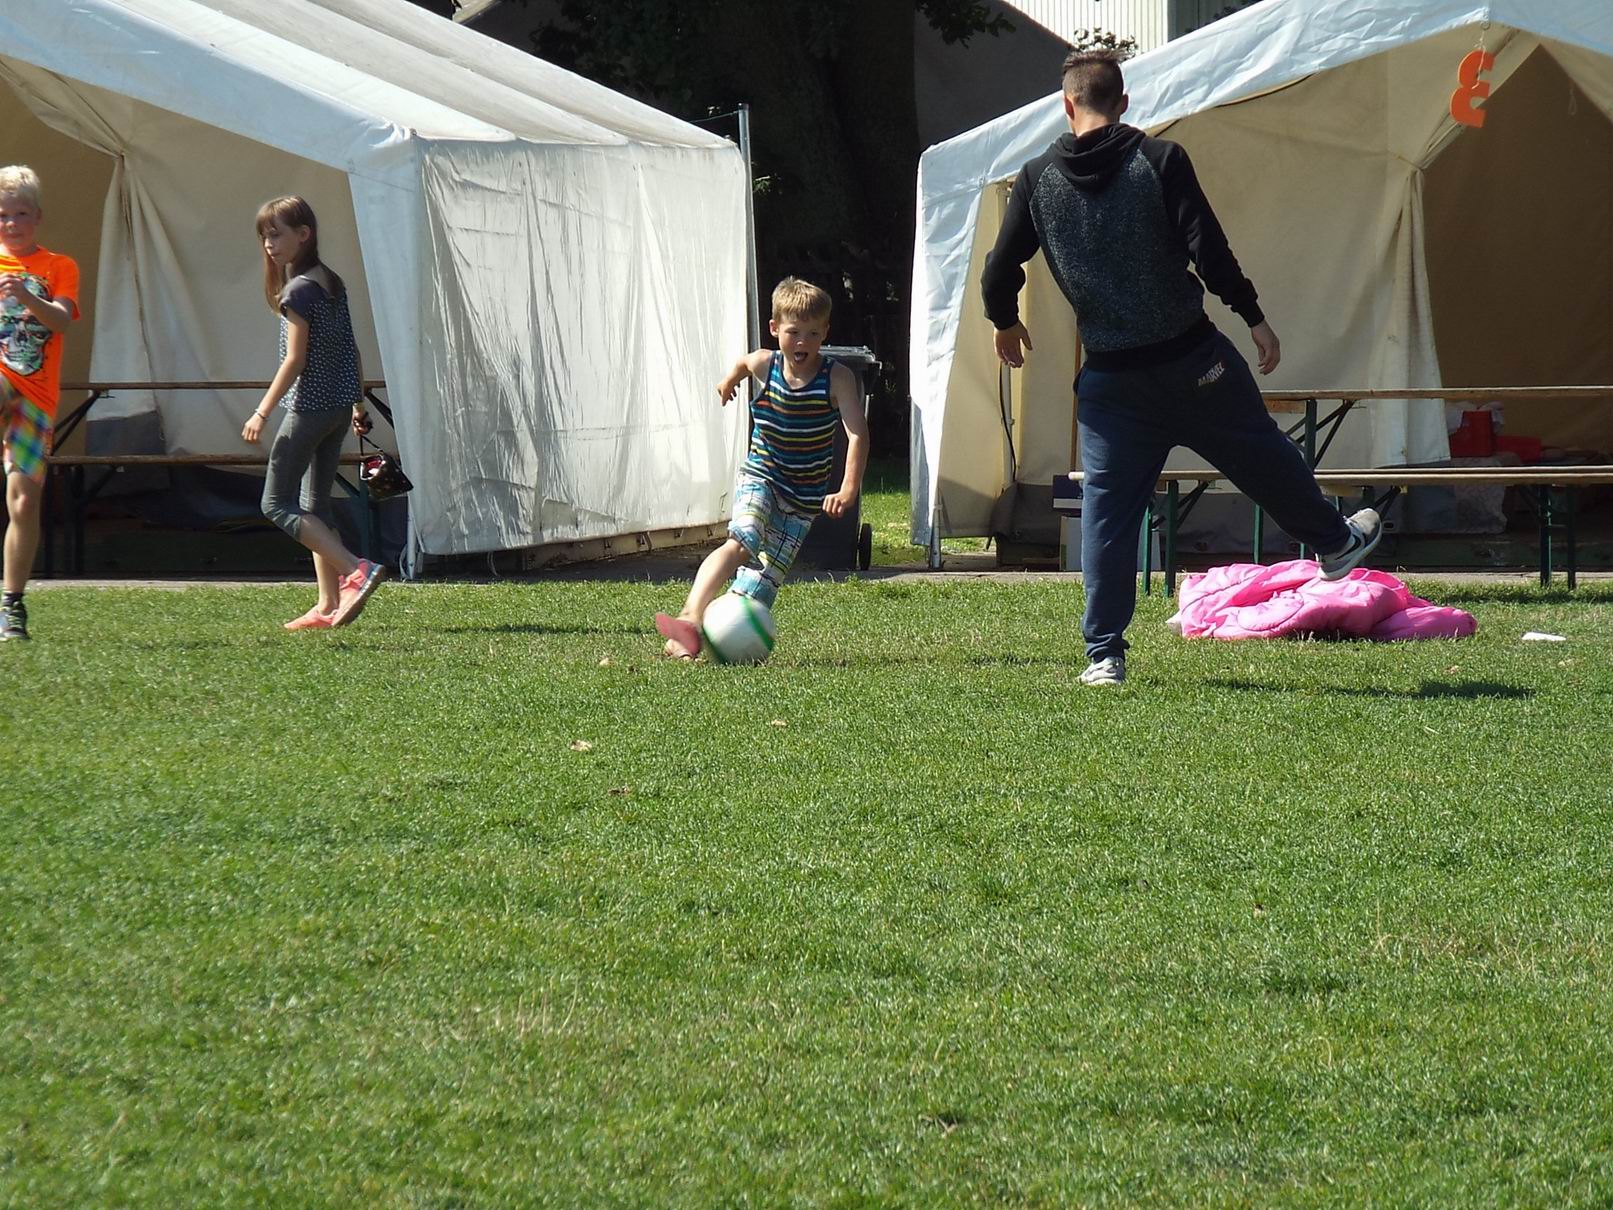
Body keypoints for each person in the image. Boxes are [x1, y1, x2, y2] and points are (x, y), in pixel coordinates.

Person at [980, 50, 1381, 688]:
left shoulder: (1035, 179)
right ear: (1125, 103)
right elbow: (1207, 247)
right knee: (1261, 452)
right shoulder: (1160, 160)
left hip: (1111, 383)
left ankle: (1104, 655)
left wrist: (1004, 320)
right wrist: (1253, 315)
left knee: (1109, 516)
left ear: (1066, 105)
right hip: (1193, 362)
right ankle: (1334, 543)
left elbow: (1000, 269)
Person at [656, 277, 869, 659]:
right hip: (763, 476)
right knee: (743, 540)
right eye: (793, 332)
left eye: (813, 333)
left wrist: (848, 487)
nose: (803, 342)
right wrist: (728, 382)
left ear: (825, 332)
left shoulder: (837, 377)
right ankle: (690, 618)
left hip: (802, 499)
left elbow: (857, 434)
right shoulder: (764, 364)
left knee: (762, 583)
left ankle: (716, 639)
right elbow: (743, 363)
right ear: (774, 329)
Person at [242, 196, 384, 630]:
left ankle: (355, 571)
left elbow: (295, 360)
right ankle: (327, 605)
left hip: (309, 409)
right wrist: (357, 404)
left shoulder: (299, 290)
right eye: (264, 236)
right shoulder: (331, 281)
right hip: (337, 408)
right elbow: (350, 348)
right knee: (314, 506)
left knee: (275, 503)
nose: (269, 244)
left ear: (304, 234)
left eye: (276, 234)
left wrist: (261, 412)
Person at [0, 166, 78, 642]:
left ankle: (12, 605)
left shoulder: (58, 266)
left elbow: (63, 321)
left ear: (38, 217)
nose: (12, 224)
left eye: (21, 214)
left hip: (35, 398)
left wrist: (27, 295)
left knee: (25, 502)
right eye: (3, 215)